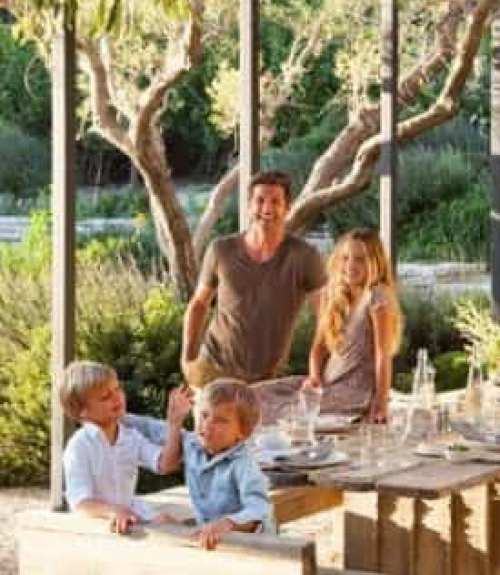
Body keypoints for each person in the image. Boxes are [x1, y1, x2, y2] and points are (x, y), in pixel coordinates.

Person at [181, 170, 327, 386]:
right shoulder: (221, 250)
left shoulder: (304, 256)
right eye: (259, 200)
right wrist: (187, 358)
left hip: (266, 381)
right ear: (249, 205)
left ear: (288, 207)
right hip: (212, 369)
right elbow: (199, 303)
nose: (267, 208)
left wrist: (315, 368)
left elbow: (326, 316)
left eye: (275, 201)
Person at [254, 228, 402, 424]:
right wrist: (314, 378)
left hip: (354, 393)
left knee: (281, 411)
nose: (350, 265)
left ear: (375, 263)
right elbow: (319, 348)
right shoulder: (334, 296)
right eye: (345, 258)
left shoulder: (377, 295)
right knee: (251, 395)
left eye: (360, 259)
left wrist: (381, 402)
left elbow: (383, 354)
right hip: (325, 384)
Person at [126, 378, 276, 550]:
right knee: (161, 524)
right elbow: (152, 428)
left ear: (243, 432)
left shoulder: (243, 464)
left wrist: (227, 524)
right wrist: (119, 417)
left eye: (220, 420)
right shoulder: (193, 445)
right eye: (204, 415)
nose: (207, 424)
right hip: (210, 538)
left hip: (254, 546)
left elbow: (259, 509)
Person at [60, 361, 191, 534]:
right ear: (82, 410)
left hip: (129, 509)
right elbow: (80, 503)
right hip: (96, 518)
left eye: (117, 389)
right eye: (105, 396)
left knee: (170, 524)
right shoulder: (79, 445)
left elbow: (166, 464)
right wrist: (113, 511)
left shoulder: (131, 437)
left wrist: (174, 423)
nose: (117, 398)